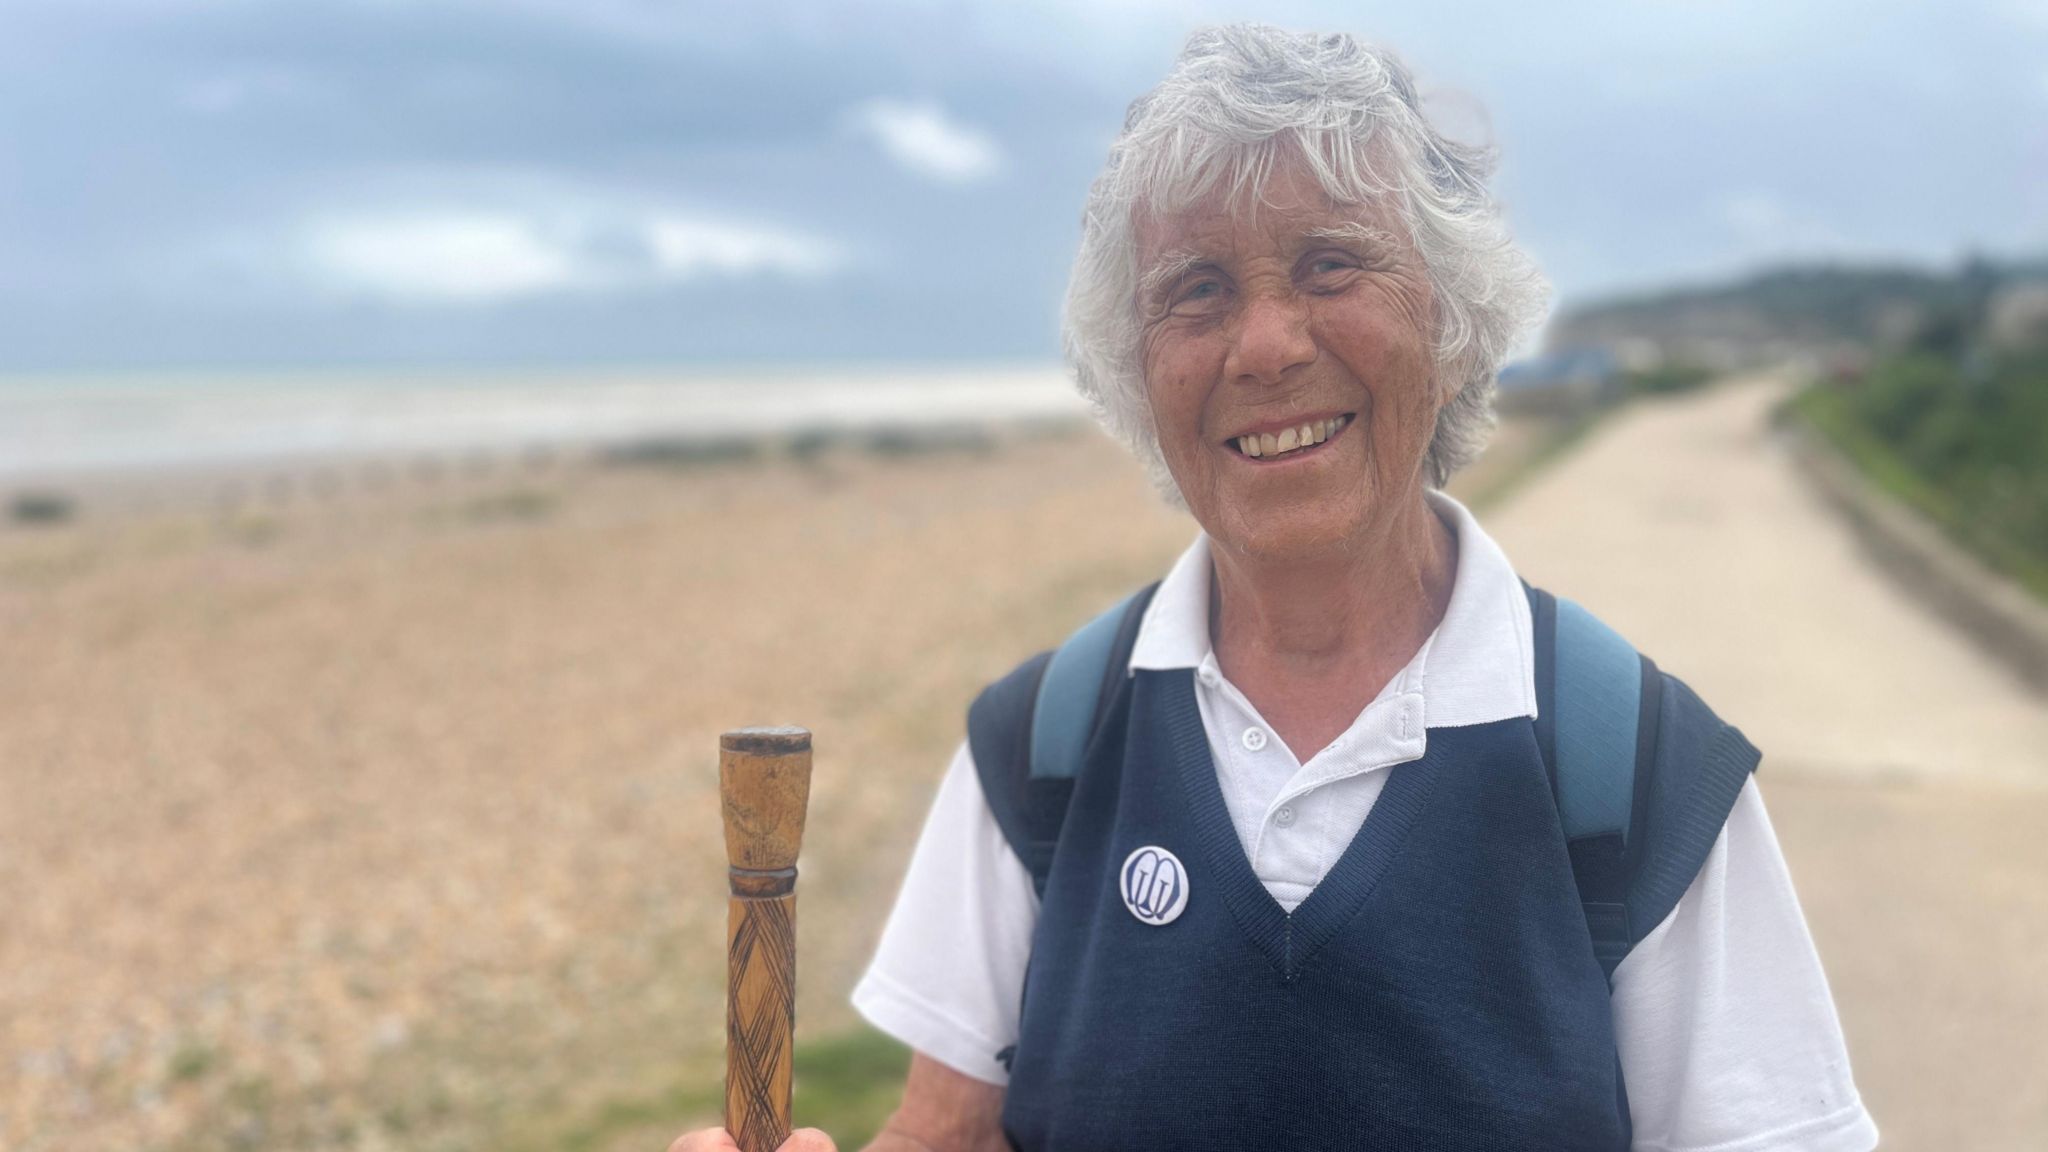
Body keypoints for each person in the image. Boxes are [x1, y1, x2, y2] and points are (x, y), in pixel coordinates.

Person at [674, 24, 1875, 1152]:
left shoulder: (1640, 775)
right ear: (1137, 373)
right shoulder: (1043, 746)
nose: (1262, 346)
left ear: (1451, 324)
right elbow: (949, 1135)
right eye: (1194, 289)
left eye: (1329, 264)